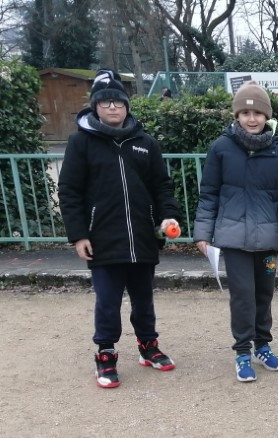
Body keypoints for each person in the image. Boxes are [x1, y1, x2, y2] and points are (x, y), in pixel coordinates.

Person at [58, 69, 181, 389]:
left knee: (144, 300)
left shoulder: (145, 142)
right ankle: (106, 354)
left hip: (142, 238)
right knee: (108, 301)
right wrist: (79, 234)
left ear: (127, 106)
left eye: (118, 102)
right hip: (102, 240)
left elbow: (162, 187)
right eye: (105, 102)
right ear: (95, 106)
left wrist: (167, 217)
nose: (113, 108)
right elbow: (69, 191)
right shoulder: (81, 142)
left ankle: (148, 346)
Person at [193, 82, 278, 383]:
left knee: (264, 295)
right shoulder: (220, 148)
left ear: (266, 115)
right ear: (237, 115)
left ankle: (263, 345)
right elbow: (209, 195)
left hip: (267, 241)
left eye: (257, 112)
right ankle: (242, 351)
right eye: (245, 112)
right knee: (242, 297)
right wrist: (202, 234)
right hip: (233, 240)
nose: (252, 118)